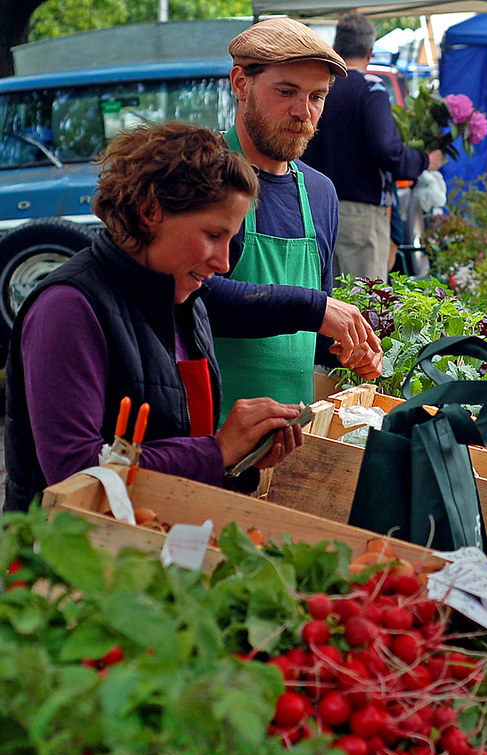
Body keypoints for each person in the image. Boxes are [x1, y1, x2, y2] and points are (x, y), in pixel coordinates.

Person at [3, 124, 307, 511]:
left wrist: (238, 462)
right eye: (213, 235)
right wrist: (218, 450)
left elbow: (179, 445)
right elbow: (75, 473)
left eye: (231, 240)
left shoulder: (187, 301)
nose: (224, 261)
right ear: (150, 212)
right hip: (67, 560)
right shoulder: (68, 308)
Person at [208, 16, 383, 417]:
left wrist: (347, 349)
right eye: (286, 92)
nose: (303, 112)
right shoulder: (205, 173)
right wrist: (315, 308)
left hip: (289, 440)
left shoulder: (321, 193)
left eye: (317, 97)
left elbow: (306, 331)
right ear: (241, 83)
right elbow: (193, 297)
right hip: (205, 440)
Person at [303, 12, 443, 284]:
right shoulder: (370, 90)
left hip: (313, 207)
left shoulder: (319, 88)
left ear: (336, 47)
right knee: (364, 304)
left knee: (325, 299)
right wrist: (424, 160)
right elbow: (387, 150)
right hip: (359, 213)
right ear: (370, 51)